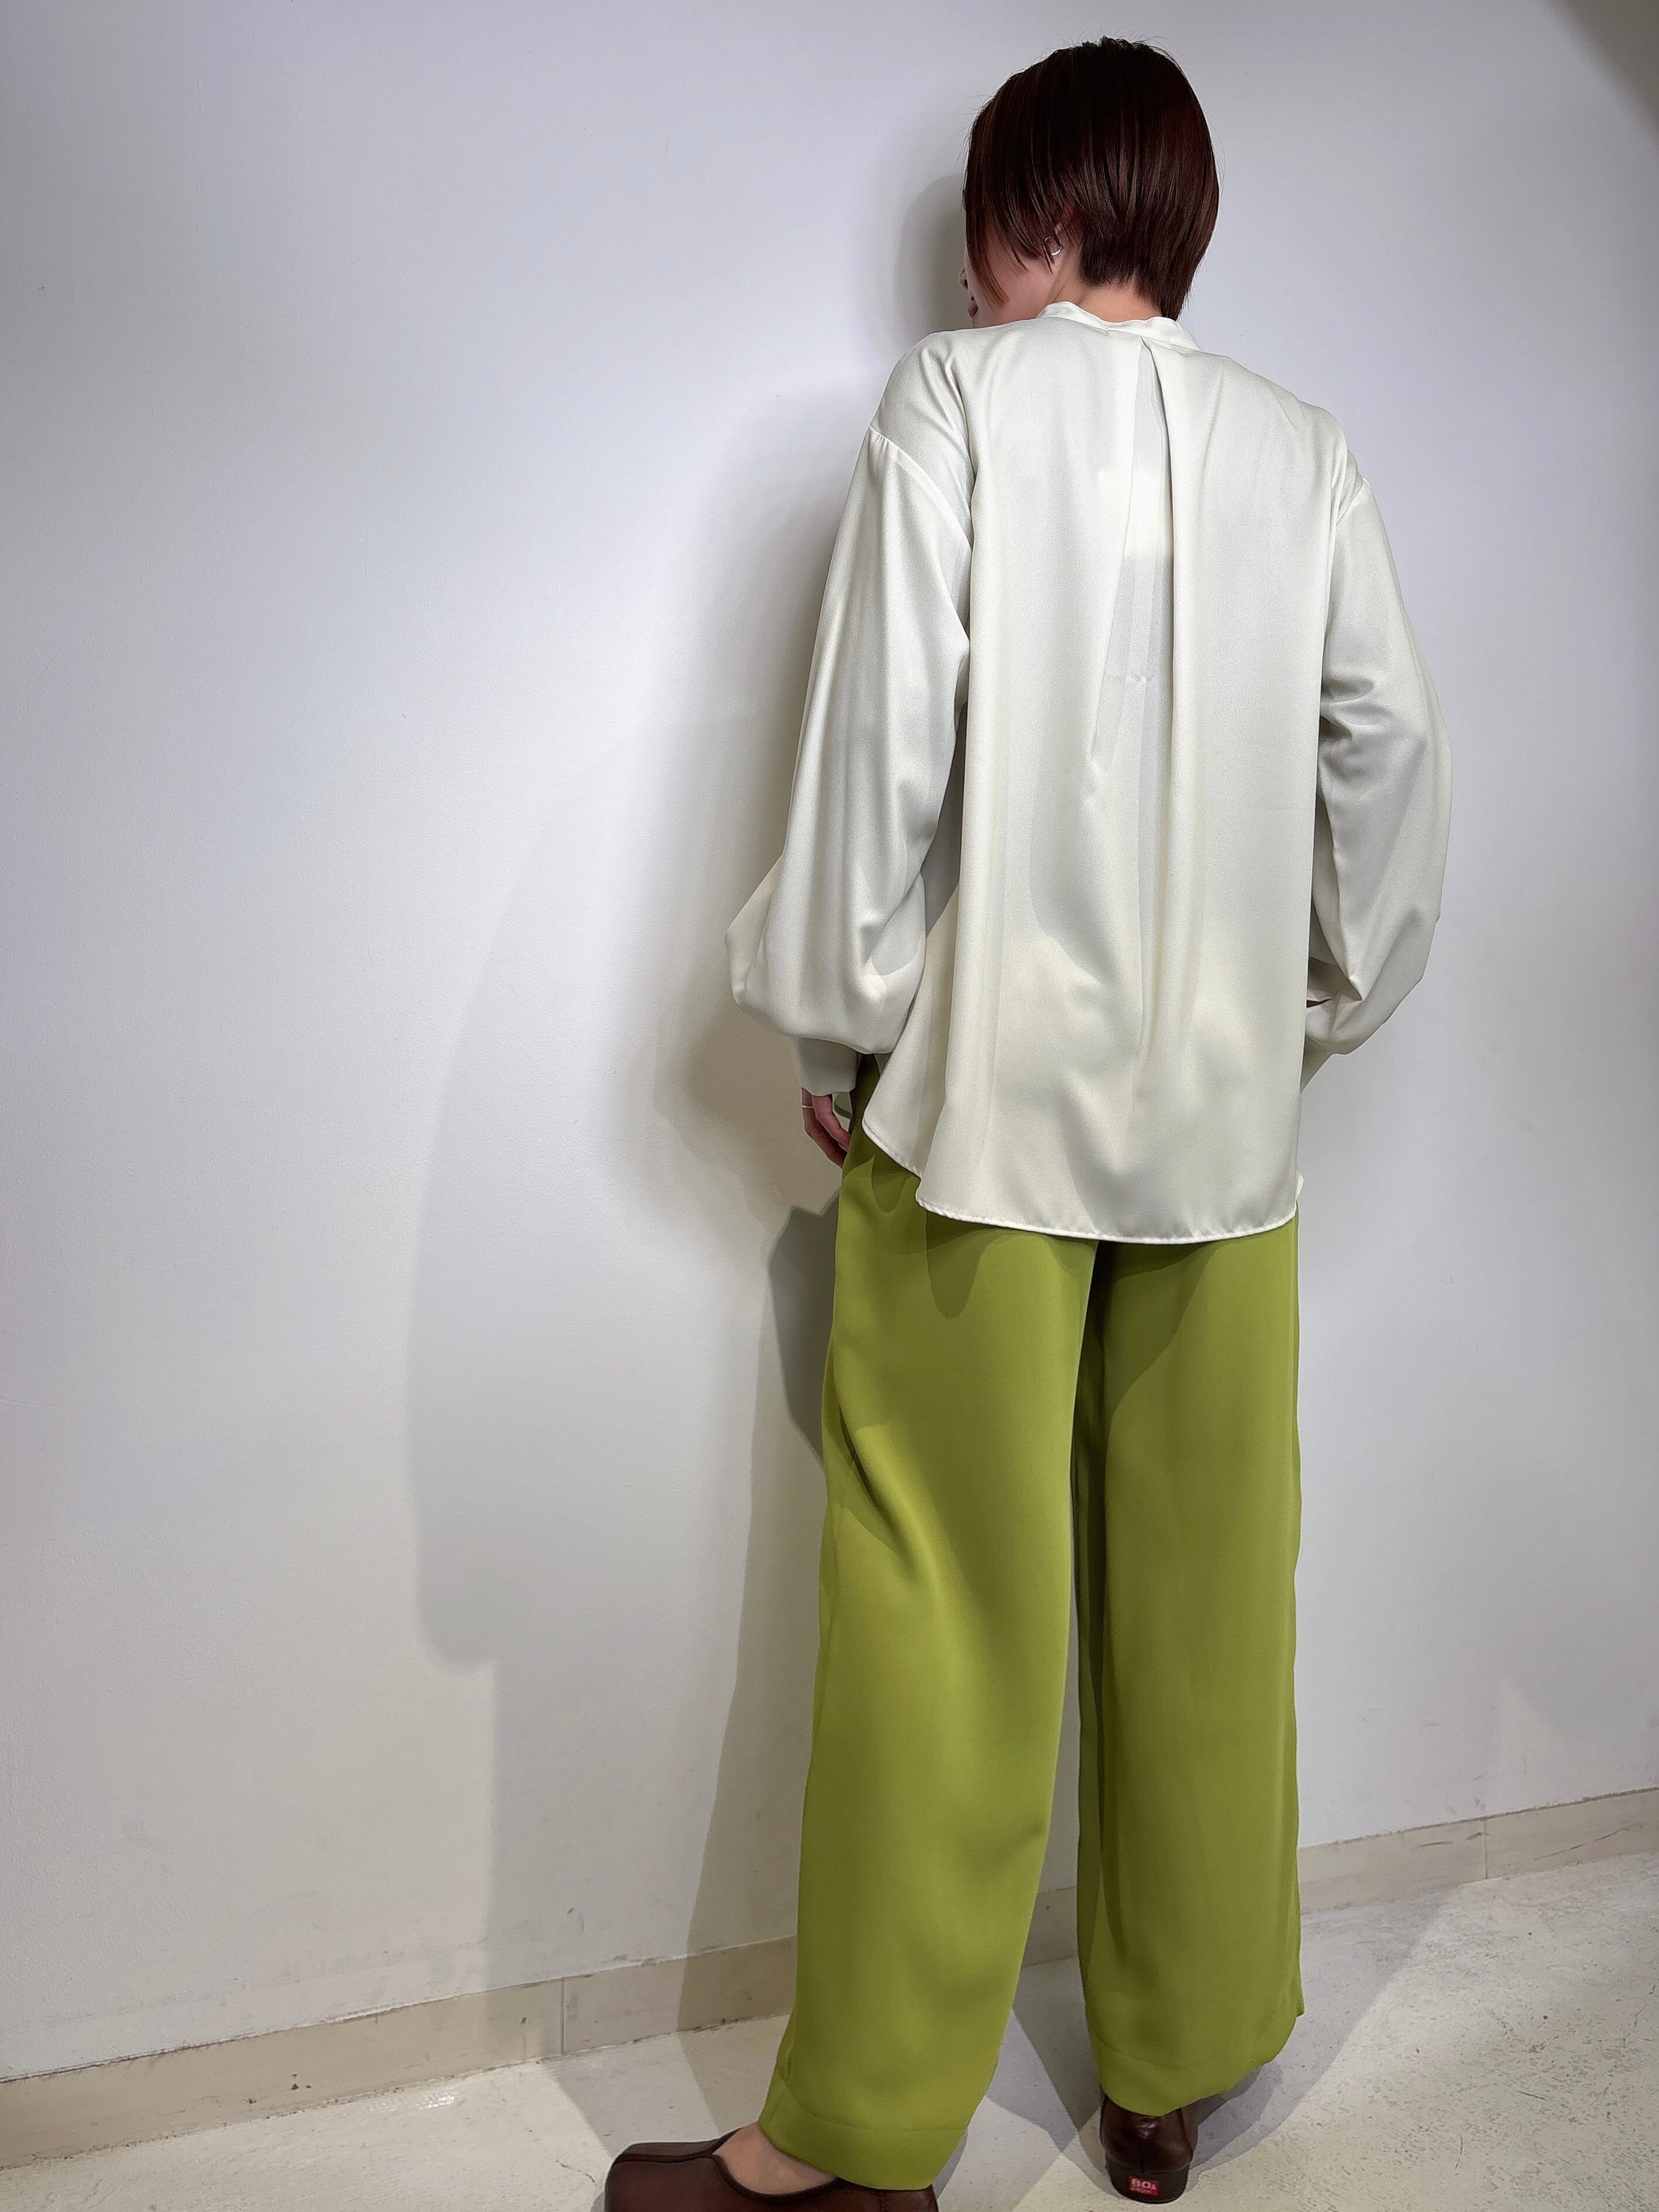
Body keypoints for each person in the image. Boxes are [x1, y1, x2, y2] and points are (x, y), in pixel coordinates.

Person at [608, 35, 1451, 2211]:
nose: (965, 275)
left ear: (1044, 215)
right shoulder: (1304, 452)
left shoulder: (956, 404)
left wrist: (839, 1031)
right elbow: (1383, 753)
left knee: (936, 1621)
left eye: (982, 231)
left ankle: (859, 2142)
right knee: (1205, 1611)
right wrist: (1313, 1009)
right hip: (1222, 1158)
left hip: (978, 1127)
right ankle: (1176, 2067)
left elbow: (881, 742)